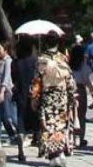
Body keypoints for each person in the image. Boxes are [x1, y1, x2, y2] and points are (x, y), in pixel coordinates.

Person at [37, 33, 77, 166]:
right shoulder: (63, 58)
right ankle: (60, 153)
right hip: (62, 95)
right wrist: (72, 96)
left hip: (48, 95)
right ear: (57, 43)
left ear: (46, 43)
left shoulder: (42, 58)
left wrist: (34, 97)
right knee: (60, 125)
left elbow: (37, 80)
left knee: (48, 125)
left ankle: (53, 156)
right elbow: (69, 80)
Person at [10, 36, 39, 165]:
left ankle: (21, 150)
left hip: (20, 94)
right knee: (36, 121)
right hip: (34, 95)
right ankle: (39, 145)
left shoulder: (15, 63)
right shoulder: (36, 61)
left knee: (20, 121)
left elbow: (14, 79)